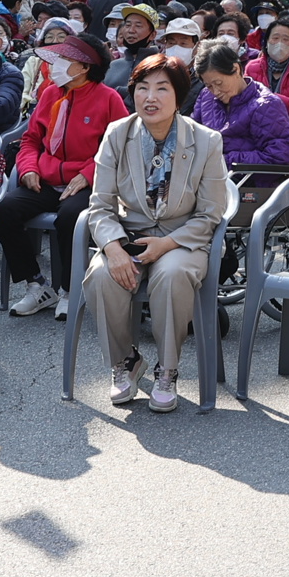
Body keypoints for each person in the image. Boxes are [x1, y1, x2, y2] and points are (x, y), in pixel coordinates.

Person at [80, 55, 232, 411]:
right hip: (130, 232)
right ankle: (125, 361)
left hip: (182, 237)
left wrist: (167, 243)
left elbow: (211, 212)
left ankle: (167, 368)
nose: (151, 97)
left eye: (162, 88)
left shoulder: (206, 141)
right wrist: (114, 249)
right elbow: (100, 205)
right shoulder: (118, 134)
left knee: (172, 273)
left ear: (179, 96)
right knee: (103, 276)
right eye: (142, 88)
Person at [0, 34, 126, 317]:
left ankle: (71, 290)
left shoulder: (109, 98)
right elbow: (30, 139)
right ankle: (37, 285)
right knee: (4, 210)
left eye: (65, 60)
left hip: (86, 181)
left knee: (71, 217)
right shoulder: (50, 94)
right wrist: (29, 167)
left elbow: (119, 148)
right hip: (46, 178)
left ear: (84, 67)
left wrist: (88, 174)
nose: (55, 65)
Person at [193, 38, 289, 169]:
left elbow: (278, 157)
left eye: (219, 83)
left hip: (245, 182)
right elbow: (192, 135)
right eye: (209, 86)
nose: (215, 91)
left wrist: (223, 161)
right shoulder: (206, 96)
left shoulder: (266, 105)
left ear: (236, 69)